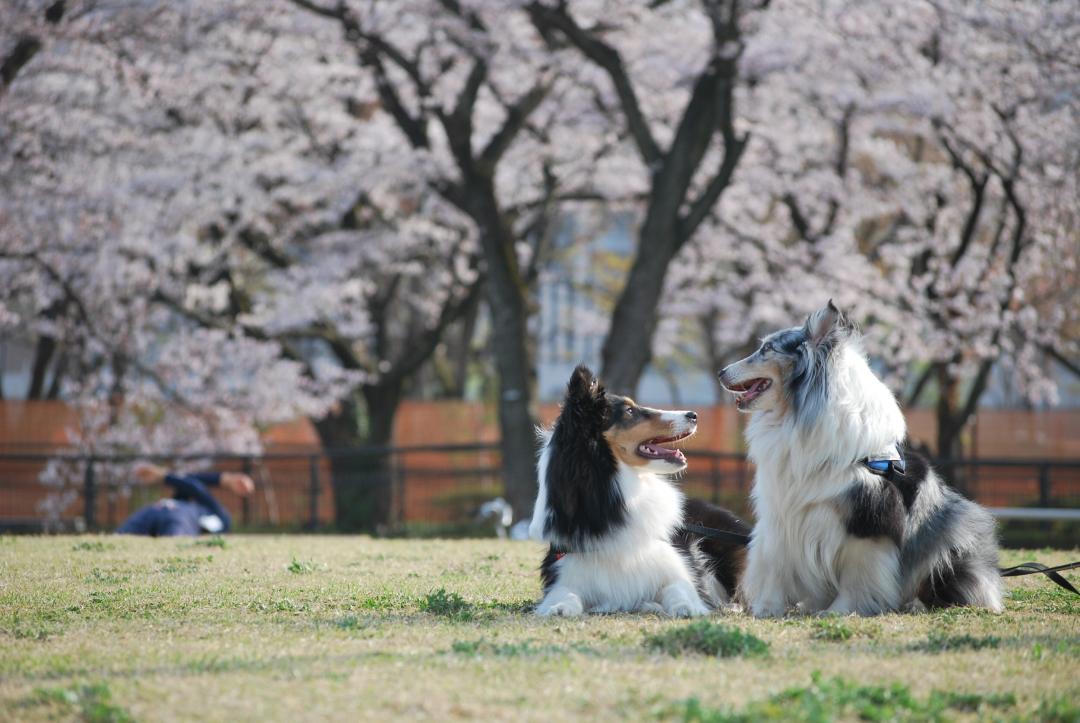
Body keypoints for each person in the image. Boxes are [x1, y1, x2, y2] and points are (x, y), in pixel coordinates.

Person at [116, 462, 254, 536]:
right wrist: (226, 479)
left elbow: (192, 485)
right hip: (172, 515)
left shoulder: (221, 518)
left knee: (119, 538)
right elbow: (192, 485)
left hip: (157, 510)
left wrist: (164, 476)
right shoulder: (218, 516)